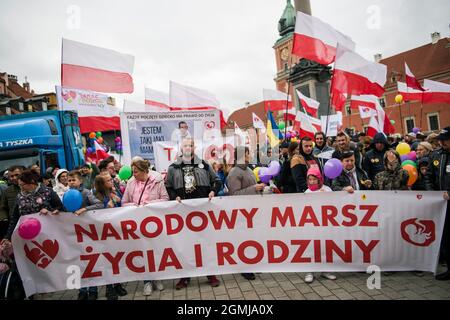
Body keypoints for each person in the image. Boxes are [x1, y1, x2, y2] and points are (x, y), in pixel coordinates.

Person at [165, 138, 222, 290]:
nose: (188, 147)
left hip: (203, 213)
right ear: (181, 148)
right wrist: (173, 197)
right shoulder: (173, 168)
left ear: (194, 147)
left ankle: (210, 274)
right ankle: (185, 276)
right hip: (183, 214)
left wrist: (212, 191)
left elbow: (217, 181)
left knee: (206, 244)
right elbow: (168, 186)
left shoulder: (204, 164)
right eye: (185, 145)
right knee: (185, 246)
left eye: (190, 145)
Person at [121, 157, 169, 295]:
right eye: (132, 171)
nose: (133, 174)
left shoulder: (158, 180)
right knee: (142, 252)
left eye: (136, 171)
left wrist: (151, 205)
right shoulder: (130, 183)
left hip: (155, 223)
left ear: (144, 170)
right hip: (138, 224)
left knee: (156, 251)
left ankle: (157, 278)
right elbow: (124, 202)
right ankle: (147, 281)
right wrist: (134, 206)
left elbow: (165, 199)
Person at [227, 146, 265, 281]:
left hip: (252, 211)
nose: (251, 155)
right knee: (243, 241)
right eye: (249, 153)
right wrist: (254, 188)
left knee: (253, 240)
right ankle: (244, 268)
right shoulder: (234, 173)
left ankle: (253, 264)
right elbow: (234, 194)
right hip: (242, 214)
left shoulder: (248, 169)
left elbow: (250, 189)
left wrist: (259, 188)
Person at [1, 170, 63, 252]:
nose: (21, 188)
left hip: (49, 233)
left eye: (23, 185)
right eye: (19, 185)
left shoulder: (48, 191)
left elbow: (60, 208)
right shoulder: (20, 196)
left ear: (32, 182)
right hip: (29, 236)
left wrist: (49, 210)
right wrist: (7, 237)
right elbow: (15, 217)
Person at [65, 170, 104, 300]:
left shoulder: (86, 192)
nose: (70, 183)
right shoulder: (66, 194)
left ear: (80, 181)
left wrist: (85, 209)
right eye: (69, 180)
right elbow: (64, 209)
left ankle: (93, 290)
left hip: (88, 233)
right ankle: (82, 290)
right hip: (74, 234)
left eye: (73, 180)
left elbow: (99, 204)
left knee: (91, 262)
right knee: (78, 262)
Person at [93, 173, 128, 300]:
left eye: (111, 179)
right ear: (102, 184)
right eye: (108, 180)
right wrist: (105, 208)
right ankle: (109, 288)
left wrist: (119, 202)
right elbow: (94, 213)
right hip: (104, 234)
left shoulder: (115, 191)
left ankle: (117, 284)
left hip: (116, 232)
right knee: (107, 260)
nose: (111, 181)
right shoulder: (97, 197)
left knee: (117, 259)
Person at [425, 126, 450, 280]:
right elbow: (428, 176)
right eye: (441, 140)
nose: (443, 143)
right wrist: (432, 194)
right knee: (446, 237)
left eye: (446, 140)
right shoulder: (436, 155)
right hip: (442, 204)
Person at [303, 167, 336, 283]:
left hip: (325, 225)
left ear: (319, 179)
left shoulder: (327, 189)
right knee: (311, 247)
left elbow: (333, 205)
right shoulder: (306, 192)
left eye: (314, 179)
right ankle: (309, 271)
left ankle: (325, 270)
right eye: (309, 179)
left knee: (325, 248)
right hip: (312, 225)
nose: (311, 182)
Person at [0, 166, 25, 239]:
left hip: (33, 222)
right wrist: (4, 218)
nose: (14, 178)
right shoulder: (7, 191)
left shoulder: (33, 187)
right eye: (11, 176)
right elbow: (3, 207)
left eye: (17, 175)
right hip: (15, 225)